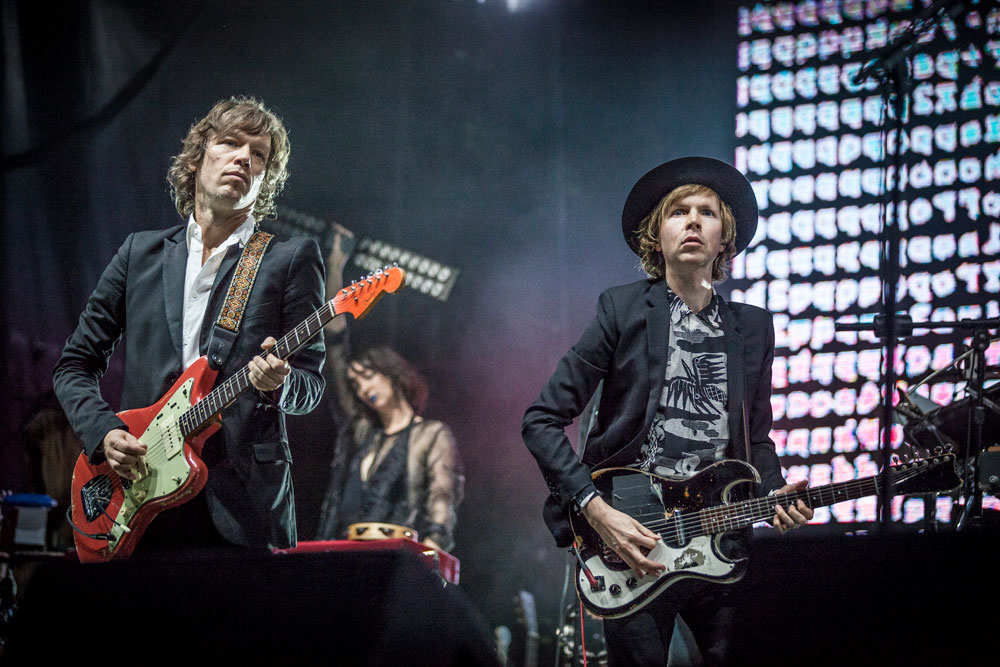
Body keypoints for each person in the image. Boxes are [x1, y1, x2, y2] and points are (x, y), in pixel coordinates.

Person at [521, 156, 813, 666]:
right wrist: (596, 509)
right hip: (633, 541)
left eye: (707, 213)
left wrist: (774, 493)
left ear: (725, 240)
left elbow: (756, 437)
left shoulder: (753, 327)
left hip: (721, 540)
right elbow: (541, 420)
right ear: (655, 237)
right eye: (679, 212)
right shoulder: (622, 309)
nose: (693, 221)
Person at [53, 96, 326, 551]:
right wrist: (103, 432)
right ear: (198, 157)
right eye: (231, 143)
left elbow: (310, 386)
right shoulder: (139, 254)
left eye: (259, 154)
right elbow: (74, 364)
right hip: (141, 493)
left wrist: (280, 384)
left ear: (266, 178)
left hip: (242, 507)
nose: (245, 158)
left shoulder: (289, 259)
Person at [315, 225, 463, 552]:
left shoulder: (430, 435)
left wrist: (431, 552)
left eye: (368, 376)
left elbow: (441, 497)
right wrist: (335, 265)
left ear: (391, 374)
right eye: (356, 384)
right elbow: (334, 343)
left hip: (394, 561)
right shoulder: (362, 431)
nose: (362, 388)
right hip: (339, 556)